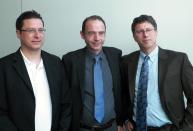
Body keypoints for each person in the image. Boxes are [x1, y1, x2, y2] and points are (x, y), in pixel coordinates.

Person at [0, 10, 71, 131]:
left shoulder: (56, 63)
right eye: (31, 30)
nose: (37, 35)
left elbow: (66, 105)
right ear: (18, 33)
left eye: (41, 30)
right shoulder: (4, 66)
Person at [121, 14, 193, 131]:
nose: (145, 35)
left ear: (156, 32)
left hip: (169, 128)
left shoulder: (178, 60)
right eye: (140, 31)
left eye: (148, 30)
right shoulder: (126, 61)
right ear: (134, 36)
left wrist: (187, 128)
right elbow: (123, 94)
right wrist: (125, 119)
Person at [62, 15, 123, 131]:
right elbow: (64, 99)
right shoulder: (70, 60)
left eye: (101, 33)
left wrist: (121, 121)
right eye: (91, 33)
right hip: (82, 128)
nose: (97, 38)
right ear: (82, 34)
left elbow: (123, 92)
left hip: (112, 127)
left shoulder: (115, 55)